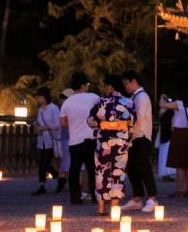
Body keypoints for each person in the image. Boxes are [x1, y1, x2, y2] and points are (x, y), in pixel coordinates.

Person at [89, 75, 134, 215]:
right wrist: (119, 126)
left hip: (103, 142)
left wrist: (103, 125)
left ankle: (101, 208)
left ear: (109, 86)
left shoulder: (101, 102)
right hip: (121, 142)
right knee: (118, 172)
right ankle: (115, 207)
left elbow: (90, 122)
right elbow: (131, 123)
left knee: (101, 172)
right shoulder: (128, 102)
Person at [59, 73, 99, 207]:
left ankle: (75, 198)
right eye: (87, 85)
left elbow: (63, 124)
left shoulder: (67, 102)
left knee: (74, 169)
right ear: (83, 85)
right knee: (92, 169)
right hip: (91, 138)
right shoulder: (94, 97)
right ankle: (95, 196)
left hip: (74, 141)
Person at [121, 71, 158, 213]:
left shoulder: (141, 97)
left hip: (141, 136)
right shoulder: (136, 97)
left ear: (134, 81)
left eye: (126, 84)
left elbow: (138, 116)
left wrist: (121, 123)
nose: (125, 87)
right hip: (134, 137)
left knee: (144, 167)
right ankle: (137, 198)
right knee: (132, 167)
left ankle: (153, 198)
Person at [161, 90, 188, 198]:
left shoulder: (179, 104)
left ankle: (180, 190)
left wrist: (162, 96)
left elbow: (162, 105)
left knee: (179, 165)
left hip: (179, 134)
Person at [32, 88, 63, 196]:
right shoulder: (41, 109)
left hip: (51, 139)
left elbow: (58, 124)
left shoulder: (53, 108)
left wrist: (44, 128)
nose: (38, 99)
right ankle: (43, 184)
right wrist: (36, 124)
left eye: (39, 97)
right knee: (41, 162)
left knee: (44, 162)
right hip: (42, 139)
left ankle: (55, 177)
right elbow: (38, 121)